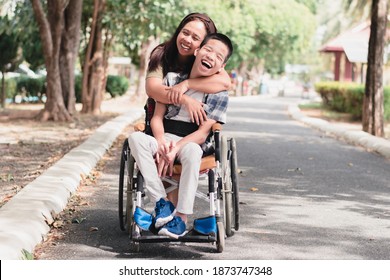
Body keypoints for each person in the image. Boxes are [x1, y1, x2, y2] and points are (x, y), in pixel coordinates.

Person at [128, 33, 234, 239]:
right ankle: (162, 203)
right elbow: (157, 118)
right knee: (135, 139)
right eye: (208, 49)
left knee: (193, 151)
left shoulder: (219, 93)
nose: (212, 56)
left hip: (190, 143)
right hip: (163, 137)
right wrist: (161, 143)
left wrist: (176, 148)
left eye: (219, 56)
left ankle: (182, 218)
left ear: (221, 67)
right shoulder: (172, 79)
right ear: (197, 51)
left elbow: (203, 133)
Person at [145, 13, 231, 125]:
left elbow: (225, 83)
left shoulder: (206, 60)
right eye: (185, 33)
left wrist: (187, 84)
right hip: (163, 116)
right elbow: (152, 89)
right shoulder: (161, 53)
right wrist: (185, 100)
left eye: (195, 38)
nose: (187, 40)